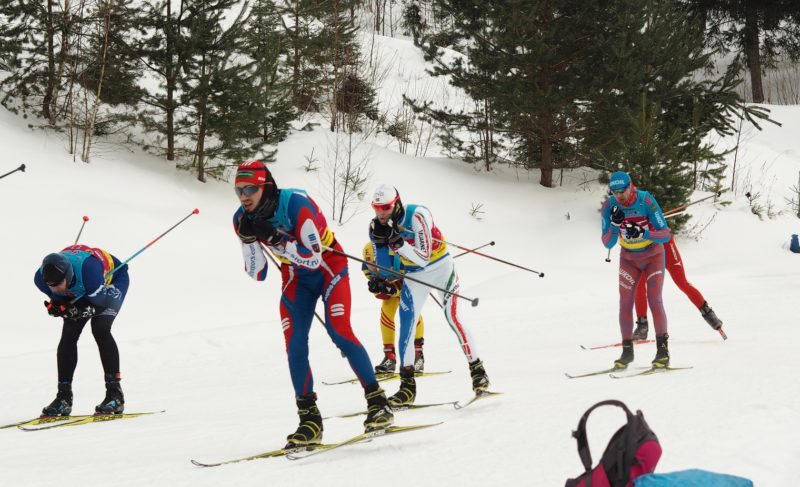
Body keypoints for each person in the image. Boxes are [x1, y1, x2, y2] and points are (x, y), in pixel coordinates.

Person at [232, 160, 393, 447]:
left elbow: (313, 258)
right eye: (239, 190)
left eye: (250, 189)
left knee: (339, 331)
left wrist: (276, 239)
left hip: (329, 267)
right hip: (295, 277)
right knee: (294, 344)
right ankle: (309, 420)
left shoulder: (295, 204)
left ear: (265, 187)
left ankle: (378, 403)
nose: (244, 196)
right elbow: (258, 273)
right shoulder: (242, 218)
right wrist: (247, 239)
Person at [367, 184, 489, 406]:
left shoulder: (417, 215)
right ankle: (407, 387)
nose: (381, 212)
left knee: (453, 317)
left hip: (441, 268)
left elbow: (424, 256)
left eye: (385, 207)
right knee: (407, 324)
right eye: (376, 207)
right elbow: (386, 268)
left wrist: (398, 242)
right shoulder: (376, 226)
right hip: (414, 275)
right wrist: (380, 278)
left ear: (396, 204)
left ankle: (478, 372)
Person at [34, 245, 130, 416]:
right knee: (68, 335)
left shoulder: (89, 273)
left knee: (100, 328)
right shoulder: (40, 280)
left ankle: (115, 395)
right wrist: (57, 307)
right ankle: (63, 397)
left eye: (58, 284)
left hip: (111, 280)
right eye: (51, 285)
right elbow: (60, 297)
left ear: (67, 276)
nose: (55, 288)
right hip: (83, 285)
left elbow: (102, 305)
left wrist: (79, 311)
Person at [601, 171, 672, 369]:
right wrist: (614, 225)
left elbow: (665, 234)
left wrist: (644, 232)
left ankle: (663, 351)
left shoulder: (645, 200)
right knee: (625, 303)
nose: (619, 196)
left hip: (653, 256)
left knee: (654, 299)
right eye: (615, 192)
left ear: (631, 186)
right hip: (629, 259)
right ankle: (627, 352)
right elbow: (607, 243)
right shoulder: (609, 206)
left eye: (622, 191)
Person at [631, 235, 724, 340]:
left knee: (681, 282)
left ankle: (709, 315)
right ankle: (642, 326)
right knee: (639, 286)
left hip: (664, 245)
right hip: (642, 249)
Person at [362, 242, 425, 374]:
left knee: (411, 313)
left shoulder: (398, 259)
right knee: (386, 313)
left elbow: (409, 284)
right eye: (369, 264)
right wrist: (379, 289)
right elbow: (380, 293)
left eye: (376, 263)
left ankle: (417, 355)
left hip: (408, 283)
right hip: (394, 286)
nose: (373, 268)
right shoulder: (366, 267)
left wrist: (392, 290)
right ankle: (389, 357)